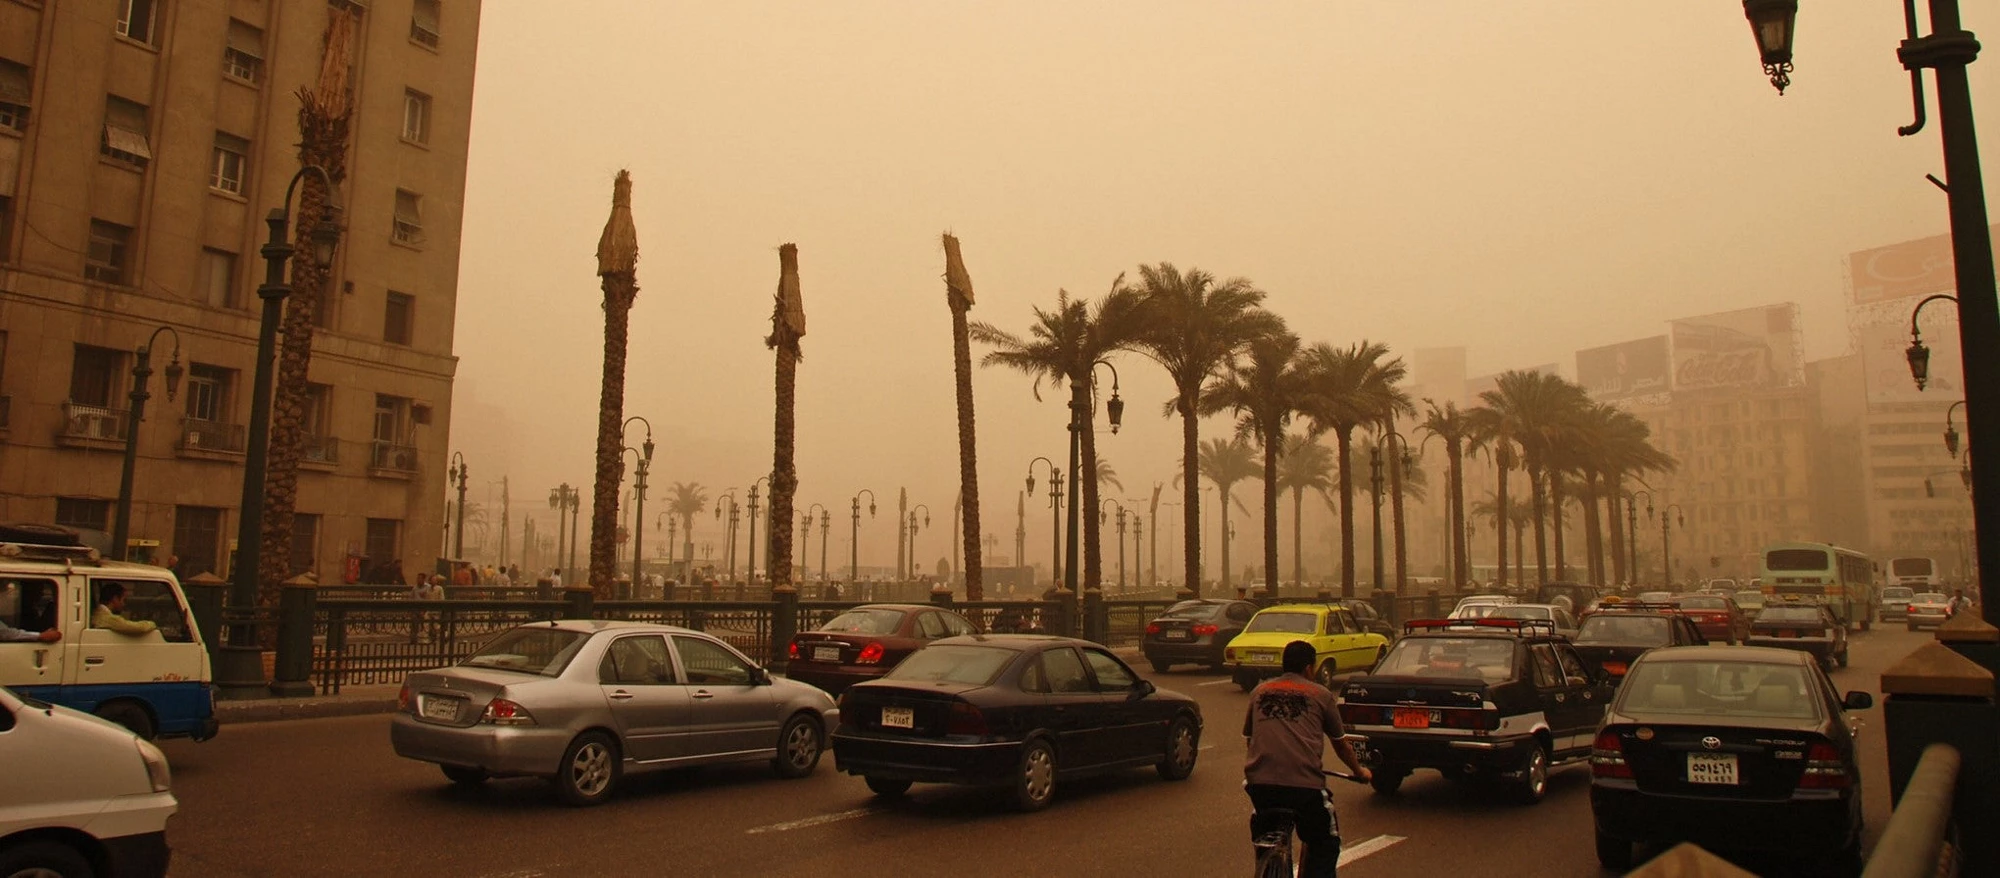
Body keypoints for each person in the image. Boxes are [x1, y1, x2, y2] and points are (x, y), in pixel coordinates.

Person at [1244, 640, 1370, 878]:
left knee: (1266, 835)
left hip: (1260, 787)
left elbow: (1250, 741)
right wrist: (1360, 772)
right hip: (1304, 788)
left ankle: (1266, 867)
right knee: (1325, 840)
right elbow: (1341, 745)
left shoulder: (1259, 692)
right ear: (1309, 668)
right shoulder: (1321, 694)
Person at [92, 583, 159, 636]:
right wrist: (153, 624)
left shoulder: (99, 613)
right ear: (115, 599)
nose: (123, 604)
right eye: (123, 600)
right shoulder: (107, 618)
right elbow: (134, 627)